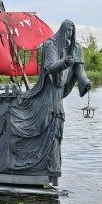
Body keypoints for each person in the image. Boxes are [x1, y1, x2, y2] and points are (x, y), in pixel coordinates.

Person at [10, 20, 91, 177]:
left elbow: (80, 71)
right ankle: (37, 166)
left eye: (72, 31)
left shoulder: (75, 48)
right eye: (68, 30)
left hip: (58, 95)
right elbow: (49, 67)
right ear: (62, 30)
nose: (70, 34)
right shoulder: (50, 45)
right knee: (46, 126)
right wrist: (64, 62)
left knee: (56, 130)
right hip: (47, 94)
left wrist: (85, 83)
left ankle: (52, 167)